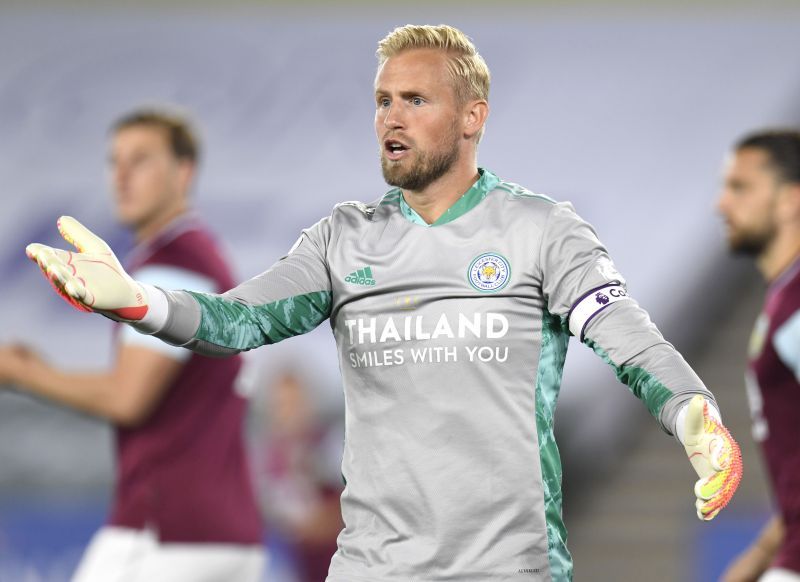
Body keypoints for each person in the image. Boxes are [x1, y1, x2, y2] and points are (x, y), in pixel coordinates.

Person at [24, 25, 741, 582]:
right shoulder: (342, 241)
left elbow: (624, 334)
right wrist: (137, 302)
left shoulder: (540, 232)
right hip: (373, 566)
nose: (390, 117)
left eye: (415, 100)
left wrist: (691, 414)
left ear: (471, 118)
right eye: (382, 100)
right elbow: (235, 321)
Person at [0, 109, 265, 581]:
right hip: (224, 533)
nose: (121, 175)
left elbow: (129, 397)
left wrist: (22, 372)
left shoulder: (173, 262)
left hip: (168, 532)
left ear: (183, 172)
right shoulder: (201, 253)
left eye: (140, 160)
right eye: (114, 161)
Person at [717, 130, 800, 582]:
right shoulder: (784, 298)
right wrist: (761, 554)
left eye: (740, 187)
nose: (722, 204)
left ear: (790, 200)